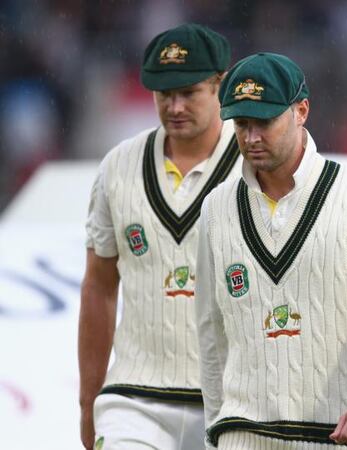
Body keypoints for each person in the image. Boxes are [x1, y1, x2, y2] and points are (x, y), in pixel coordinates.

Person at [194, 52, 347, 449]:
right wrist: (214, 430)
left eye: (264, 122)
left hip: (340, 434)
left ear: (301, 111)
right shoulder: (215, 207)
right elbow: (211, 332)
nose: (252, 137)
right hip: (244, 434)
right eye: (241, 124)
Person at [78, 24, 238, 450]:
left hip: (235, 402)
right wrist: (87, 400)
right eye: (163, 93)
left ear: (221, 84)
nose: (174, 105)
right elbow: (99, 287)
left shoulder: (255, 169)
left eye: (188, 92)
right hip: (135, 397)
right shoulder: (117, 167)